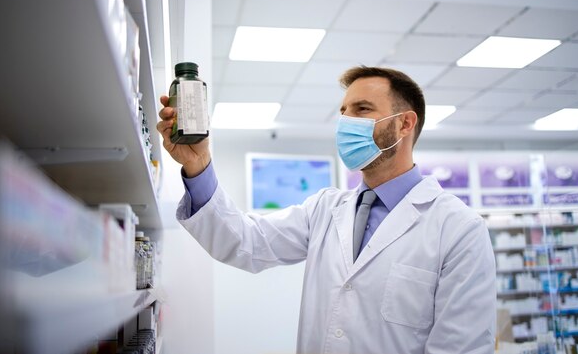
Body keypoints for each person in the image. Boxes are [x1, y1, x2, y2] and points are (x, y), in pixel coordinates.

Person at [157, 66, 496, 354]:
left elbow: (459, 347)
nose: (346, 122)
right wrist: (198, 166)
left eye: (362, 109)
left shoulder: (457, 229)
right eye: (344, 112)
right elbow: (245, 242)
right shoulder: (325, 208)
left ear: (405, 124)